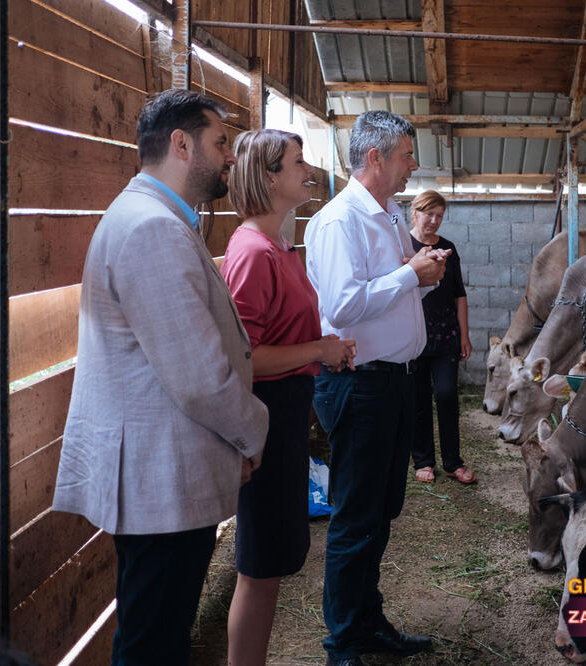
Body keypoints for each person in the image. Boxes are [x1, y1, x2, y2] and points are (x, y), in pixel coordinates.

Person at [52, 89, 269, 666]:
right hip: (159, 480)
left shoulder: (155, 219)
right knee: (153, 643)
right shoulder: (152, 229)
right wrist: (253, 432)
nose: (230, 157)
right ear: (181, 144)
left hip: (161, 476)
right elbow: (198, 377)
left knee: (157, 634)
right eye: (221, 142)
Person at [304, 110, 449, 666]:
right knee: (356, 517)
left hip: (390, 383)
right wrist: (412, 274)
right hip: (358, 385)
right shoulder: (342, 221)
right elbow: (341, 306)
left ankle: (366, 621)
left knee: (380, 511)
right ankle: (343, 640)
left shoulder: (386, 216)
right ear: (375, 158)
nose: (413, 165)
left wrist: (419, 271)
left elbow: (382, 294)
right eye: (407, 155)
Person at [220, 129, 356, 666]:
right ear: (269, 176)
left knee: (271, 559)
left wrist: (321, 350)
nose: (310, 170)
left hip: (288, 412)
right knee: (257, 565)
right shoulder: (253, 251)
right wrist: (318, 349)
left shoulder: (279, 246)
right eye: (299, 162)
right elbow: (243, 357)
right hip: (267, 416)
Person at [408, 190, 476, 485]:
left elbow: (459, 294)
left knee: (446, 394)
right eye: (429, 214)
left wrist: (464, 334)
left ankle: (452, 462)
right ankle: (423, 460)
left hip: (446, 333)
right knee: (418, 397)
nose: (434, 221)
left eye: (439, 216)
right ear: (415, 212)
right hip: (412, 335)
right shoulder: (404, 245)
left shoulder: (449, 248)